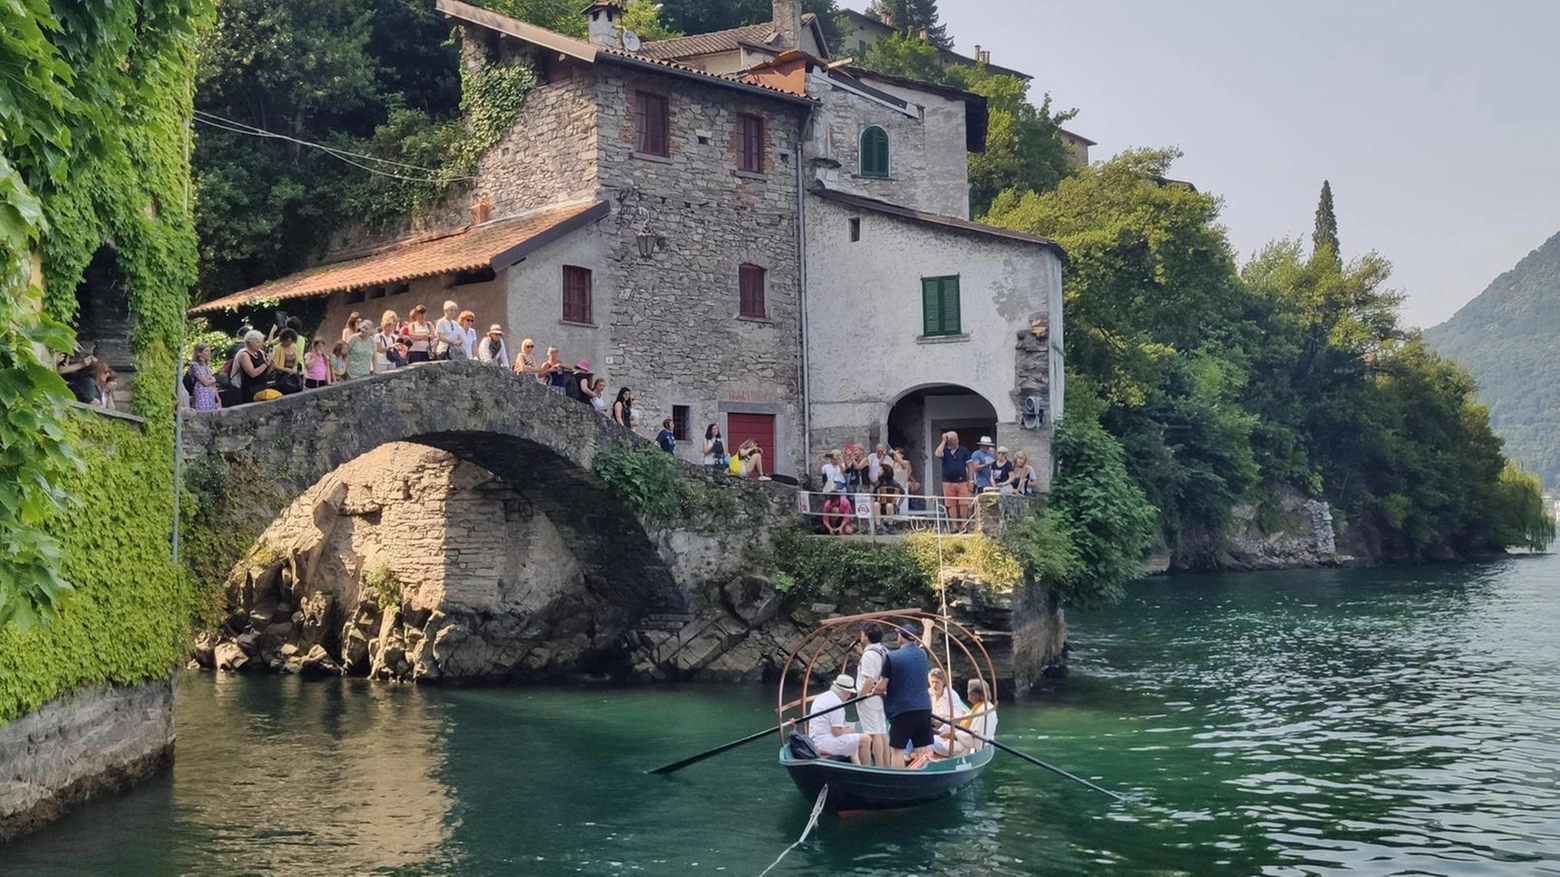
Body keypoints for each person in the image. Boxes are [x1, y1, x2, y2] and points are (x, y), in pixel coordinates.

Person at [870, 624, 934, 769]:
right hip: (924, 708)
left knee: (897, 750)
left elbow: (881, 686)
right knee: (922, 749)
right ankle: (922, 779)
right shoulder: (923, 654)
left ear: (901, 638)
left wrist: (875, 690)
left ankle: (898, 780)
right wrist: (928, 627)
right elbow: (926, 643)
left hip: (903, 710)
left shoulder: (892, 657)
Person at [804, 675, 867, 764]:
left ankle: (857, 765)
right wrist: (850, 730)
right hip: (825, 743)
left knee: (854, 739)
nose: (849, 696)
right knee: (866, 739)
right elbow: (837, 732)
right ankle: (866, 770)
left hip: (815, 740)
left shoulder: (823, 696)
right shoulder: (837, 704)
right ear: (843, 692)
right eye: (848, 693)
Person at [853, 624, 891, 766]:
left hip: (868, 697)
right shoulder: (883, 650)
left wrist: (859, 697)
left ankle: (879, 766)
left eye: (862, 634)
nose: (861, 636)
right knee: (882, 731)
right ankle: (887, 764)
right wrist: (862, 653)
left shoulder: (869, 655)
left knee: (874, 733)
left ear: (867, 636)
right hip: (881, 696)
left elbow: (869, 680)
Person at [935, 431, 972, 531]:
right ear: (949, 441)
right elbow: (938, 454)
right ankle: (954, 526)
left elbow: (969, 465)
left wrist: (971, 480)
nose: (957, 442)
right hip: (948, 481)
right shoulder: (945, 450)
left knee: (963, 503)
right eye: (954, 440)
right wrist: (943, 441)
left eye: (957, 439)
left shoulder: (963, 450)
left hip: (962, 481)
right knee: (951, 503)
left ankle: (964, 525)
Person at [928, 668, 969, 757]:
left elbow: (956, 721)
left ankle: (927, 762)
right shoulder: (929, 693)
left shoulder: (951, 696)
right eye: (932, 682)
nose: (934, 685)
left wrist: (938, 728)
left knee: (925, 740)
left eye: (937, 682)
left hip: (949, 734)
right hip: (934, 728)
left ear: (943, 682)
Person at [234, 330, 274, 404]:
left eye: (260, 342)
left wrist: (271, 364)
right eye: (257, 342)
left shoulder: (261, 352)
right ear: (249, 343)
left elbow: (265, 372)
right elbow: (252, 373)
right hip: (250, 388)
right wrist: (266, 364)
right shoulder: (244, 355)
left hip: (262, 385)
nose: (259, 345)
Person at [271, 328, 304, 394]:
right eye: (288, 341)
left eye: (291, 341)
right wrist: (287, 370)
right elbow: (274, 365)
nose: (289, 343)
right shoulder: (277, 348)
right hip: (282, 376)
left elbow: (297, 360)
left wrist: (295, 367)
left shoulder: (294, 347)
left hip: (293, 375)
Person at [189, 343, 221, 411]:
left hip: (210, 395)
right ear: (199, 353)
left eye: (209, 351)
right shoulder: (195, 365)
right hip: (201, 395)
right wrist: (214, 380)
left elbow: (213, 385)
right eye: (206, 351)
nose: (208, 353)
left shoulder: (207, 366)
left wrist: (218, 399)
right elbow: (205, 382)